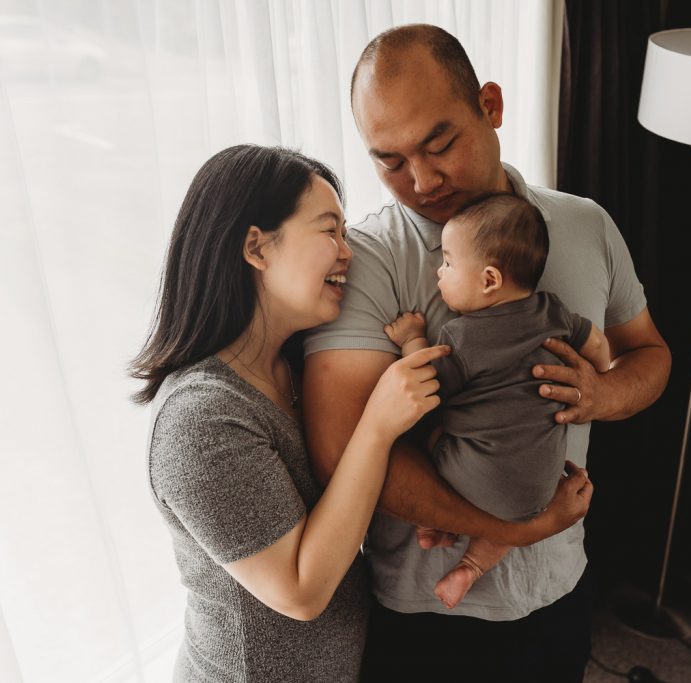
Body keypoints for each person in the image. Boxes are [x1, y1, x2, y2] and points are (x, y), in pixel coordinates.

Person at [304, 24, 670, 683]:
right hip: (427, 615)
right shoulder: (365, 261)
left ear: (491, 107)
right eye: (389, 160)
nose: (421, 179)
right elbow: (340, 449)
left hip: (562, 585)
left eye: (439, 143)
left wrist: (605, 393)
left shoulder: (585, 224)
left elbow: (648, 353)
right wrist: (508, 529)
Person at [129, 145, 452, 681]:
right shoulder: (199, 421)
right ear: (256, 247)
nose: (348, 253)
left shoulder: (297, 370)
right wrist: (376, 425)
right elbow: (301, 591)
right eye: (330, 232)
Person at [383, 193, 611, 610]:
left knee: (430, 436)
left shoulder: (462, 337)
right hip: (540, 492)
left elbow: (427, 389)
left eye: (448, 263)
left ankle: (436, 523)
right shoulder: (553, 311)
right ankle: (469, 567)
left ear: (489, 280)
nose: (439, 271)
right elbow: (596, 341)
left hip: (474, 475)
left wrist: (411, 337)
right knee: (514, 513)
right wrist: (596, 372)